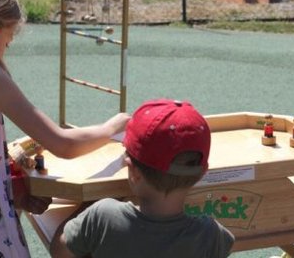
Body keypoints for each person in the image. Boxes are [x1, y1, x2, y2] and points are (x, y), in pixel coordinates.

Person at [0, 0, 130, 257]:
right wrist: (113, 126)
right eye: (9, 36)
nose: (9, 45)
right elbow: (63, 143)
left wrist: (13, 193)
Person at [50, 99, 235, 258]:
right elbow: (227, 242)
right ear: (202, 173)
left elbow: (59, 250)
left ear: (134, 172)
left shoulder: (103, 216)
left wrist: (89, 201)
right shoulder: (210, 234)